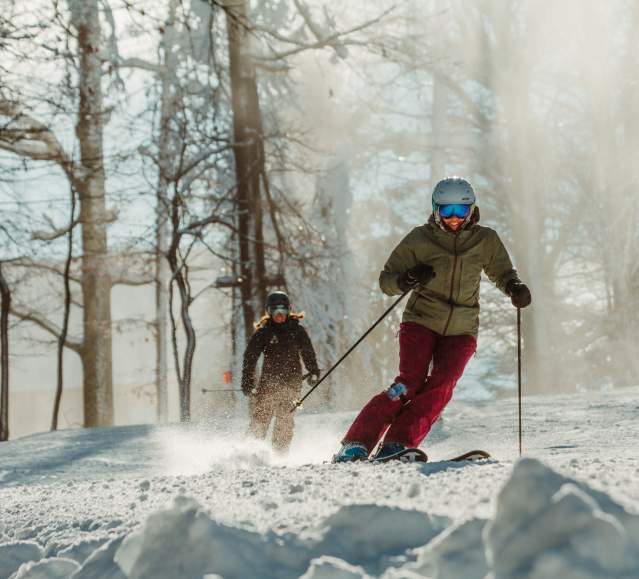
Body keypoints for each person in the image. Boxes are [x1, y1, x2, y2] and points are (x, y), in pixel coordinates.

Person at [333, 177, 532, 462]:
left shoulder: (485, 240)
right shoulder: (419, 239)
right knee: (408, 384)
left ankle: (396, 444)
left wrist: (514, 288)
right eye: (446, 210)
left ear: (472, 210)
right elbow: (386, 281)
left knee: (441, 387)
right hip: (421, 321)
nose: (453, 218)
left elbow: (502, 272)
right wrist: (407, 278)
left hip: (462, 328)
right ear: (435, 209)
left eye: (461, 211)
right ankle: (355, 443)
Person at [241, 291, 320, 453]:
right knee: (261, 418)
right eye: (275, 311)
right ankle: (249, 451)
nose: (279, 315)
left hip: (292, 385)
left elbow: (308, 352)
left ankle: (279, 454)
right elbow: (250, 357)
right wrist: (247, 380)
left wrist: (313, 371)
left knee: (286, 420)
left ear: (289, 311)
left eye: (283, 311)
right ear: (268, 312)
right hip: (268, 385)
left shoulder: (297, 331)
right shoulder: (264, 333)